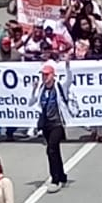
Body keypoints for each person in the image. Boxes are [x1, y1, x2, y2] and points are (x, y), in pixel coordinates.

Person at [31, 62, 70, 192]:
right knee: (54, 151)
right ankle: (62, 175)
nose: (44, 77)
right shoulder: (41, 89)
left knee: (51, 149)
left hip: (57, 124)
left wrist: (68, 66)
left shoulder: (58, 87)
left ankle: (55, 179)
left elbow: (69, 81)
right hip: (46, 124)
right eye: (43, 75)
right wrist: (33, 89)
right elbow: (32, 103)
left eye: (47, 75)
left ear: (53, 75)